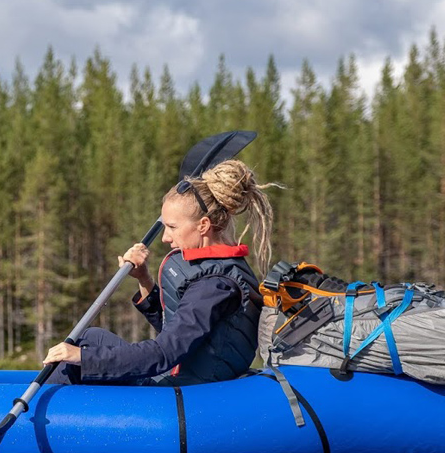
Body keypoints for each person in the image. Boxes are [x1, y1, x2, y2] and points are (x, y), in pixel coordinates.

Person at [42, 159, 276, 385]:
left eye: (172, 227)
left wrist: (83, 358)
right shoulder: (217, 273)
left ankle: (28, 420)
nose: (165, 237)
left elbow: (164, 353)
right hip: (181, 379)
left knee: (77, 358)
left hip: (184, 394)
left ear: (203, 226)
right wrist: (144, 280)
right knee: (91, 337)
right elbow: (177, 329)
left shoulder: (215, 286)